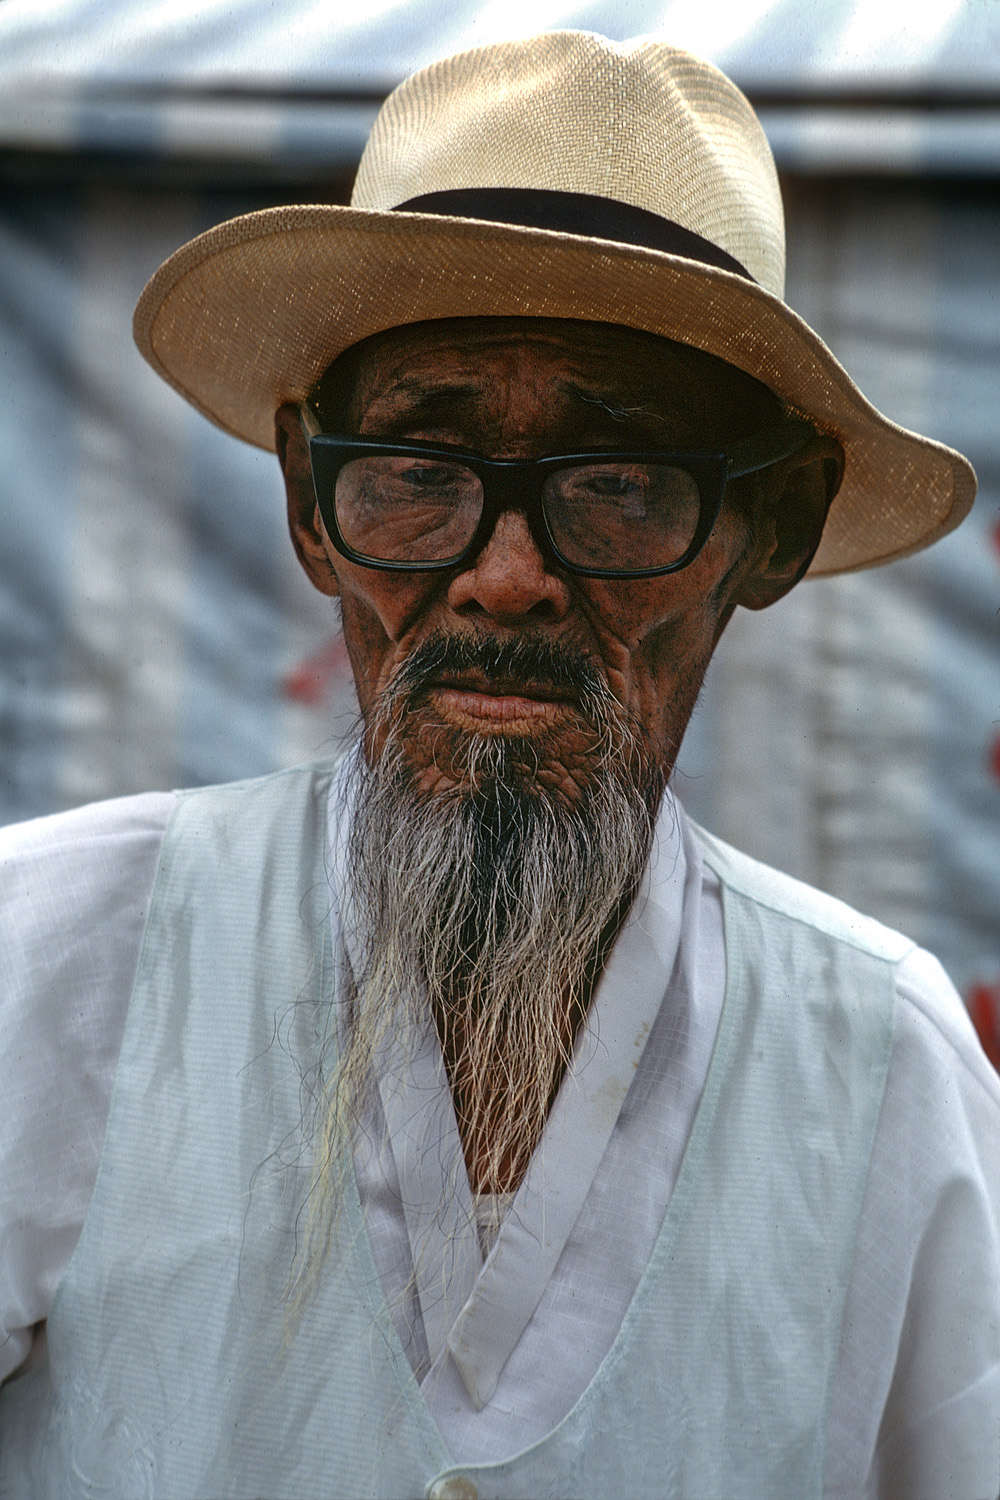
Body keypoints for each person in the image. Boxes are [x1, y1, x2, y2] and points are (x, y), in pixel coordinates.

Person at [1, 29, 997, 1500]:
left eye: (619, 483)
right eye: (419, 473)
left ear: (773, 530)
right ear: (310, 506)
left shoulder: (883, 1063)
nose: (507, 577)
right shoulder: (52, 956)